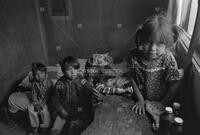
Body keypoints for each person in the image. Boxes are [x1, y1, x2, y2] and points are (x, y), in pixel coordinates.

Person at [127, 14, 184, 130]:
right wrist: (140, 99)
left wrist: (163, 103)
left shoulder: (168, 60)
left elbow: (175, 83)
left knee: (161, 126)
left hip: (162, 102)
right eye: (148, 42)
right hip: (140, 98)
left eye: (159, 44)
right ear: (141, 39)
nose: (152, 48)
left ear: (167, 44)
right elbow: (131, 77)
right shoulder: (134, 56)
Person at [50, 56, 93, 135]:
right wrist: (61, 111)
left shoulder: (81, 79)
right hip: (63, 111)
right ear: (63, 71)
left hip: (78, 111)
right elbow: (54, 100)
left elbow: (88, 92)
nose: (73, 72)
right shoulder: (60, 83)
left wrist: (89, 84)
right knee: (55, 130)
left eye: (75, 69)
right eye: (69, 70)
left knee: (76, 129)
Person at [8, 62, 53, 135]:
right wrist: (35, 104)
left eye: (42, 73)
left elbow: (47, 96)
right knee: (31, 109)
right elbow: (34, 94)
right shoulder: (34, 84)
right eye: (37, 74)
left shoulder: (49, 83)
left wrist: (41, 104)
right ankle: (34, 126)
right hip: (38, 100)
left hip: (46, 100)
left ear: (46, 74)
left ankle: (45, 127)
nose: (40, 76)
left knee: (45, 112)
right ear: (34, 76)